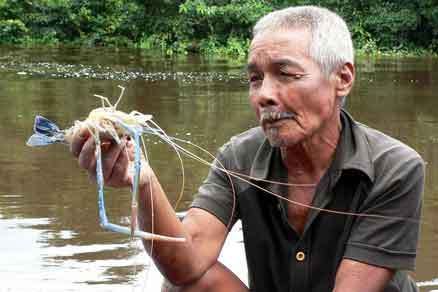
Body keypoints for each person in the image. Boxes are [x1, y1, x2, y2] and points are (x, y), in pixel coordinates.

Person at [70, 6, 424, 292]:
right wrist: (142, 180)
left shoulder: (396, 168)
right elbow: (186, 262)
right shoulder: (238, 155)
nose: (264, 95)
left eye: (285, 73)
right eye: (255, 79)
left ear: (342, 79)